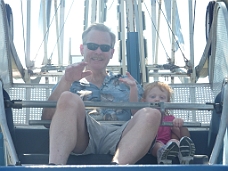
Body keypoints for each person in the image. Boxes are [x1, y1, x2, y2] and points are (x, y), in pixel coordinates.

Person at [41, 23, 161, 165]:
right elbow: (47, 119)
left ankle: (116, 166)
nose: (98, 51)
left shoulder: (126, 82)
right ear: (82, 49)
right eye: (92, 46)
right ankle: (55, 167)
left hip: (120, 135)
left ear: (111, 53)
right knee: (68, 97)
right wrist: (66, 80)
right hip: (83, 135)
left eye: (104, 48)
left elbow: (144, 120)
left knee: (152, 113)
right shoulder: (69, 81)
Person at [141, 81, 196, 164]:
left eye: (162, 97)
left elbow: (185, 137)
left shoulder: (170, 119)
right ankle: (163, 155)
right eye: (153, 96)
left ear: (168, 103)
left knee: (175, 141)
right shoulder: (143, 118)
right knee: (157, 144)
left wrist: (181, 125)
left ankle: (184, 156)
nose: (157, 99)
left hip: (170, 147)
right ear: (144, 101)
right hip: (152, 146)